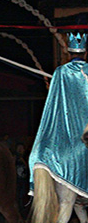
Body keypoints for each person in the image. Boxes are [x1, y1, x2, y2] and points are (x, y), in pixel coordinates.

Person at [29, 32, 88, 199]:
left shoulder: (60, 72)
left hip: (67, 129)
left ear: (68, 54)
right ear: (85, 53)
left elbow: (53, 102)